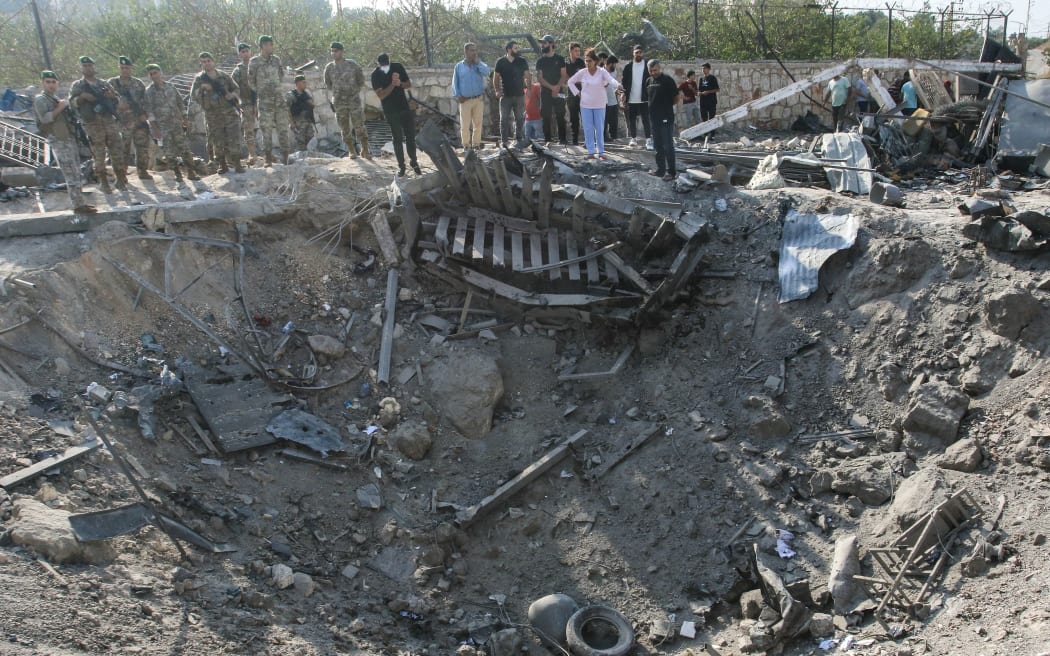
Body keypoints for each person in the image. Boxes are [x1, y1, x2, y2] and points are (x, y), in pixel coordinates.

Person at [33, 71, 96, 214]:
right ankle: (78, 206)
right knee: (70, 173)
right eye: (48, 82)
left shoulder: (55, 99)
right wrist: (60, 107)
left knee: (76, 172)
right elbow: (46, 118)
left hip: (69, 139)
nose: (51, 85)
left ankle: (80, 203)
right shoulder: (41, 100)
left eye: (53, 82)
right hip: (59, 140)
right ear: (42, 83)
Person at [70, 55, 127, 193]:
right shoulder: (78, 86)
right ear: (81, 68)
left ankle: (120, 180)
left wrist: (111, 97)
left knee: (117, 151)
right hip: (93, 124)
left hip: (108, 122)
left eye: (90, 65)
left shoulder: (104, 84)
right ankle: (104, 183)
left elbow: (117, 100)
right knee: (98, 154)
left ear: (94, 67)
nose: (88, 68)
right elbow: (72, 103)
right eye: (85, 66)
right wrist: (82, 98)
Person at [143, 63, 200, 182]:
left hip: (176, 123)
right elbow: (149, 111)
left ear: (160, 73)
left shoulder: (171, 87)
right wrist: (154, 128)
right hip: (162, 126)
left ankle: (191, 172)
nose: (154, 76)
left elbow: (179, 102)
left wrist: (185, 118)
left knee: (184, 148)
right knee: (169, 152)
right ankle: (177, 173)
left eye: (155, 72)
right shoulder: (149, 92)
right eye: (151, 74)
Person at [190, 52, 244, 173]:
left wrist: (232, 95)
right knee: (217, 140)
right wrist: (203, 89)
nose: (206, 64)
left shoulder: (223, 76)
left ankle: (237, 163)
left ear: (213, 62)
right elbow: (194, 96)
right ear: (201, 64)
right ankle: (222, 164)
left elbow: (236, 88)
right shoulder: (199, 79)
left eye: (208, 61)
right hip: (213, 115)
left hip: (229, 112)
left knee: (234, 138)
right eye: (203, 62)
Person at [371, 53, 421, 177]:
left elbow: (408, 84)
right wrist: (393, 84)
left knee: (410, 137)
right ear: (378, 64)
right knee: (397, 139)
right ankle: (401, 167)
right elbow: (381, 95)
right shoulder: (375, 75)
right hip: (390, 111)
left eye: (387, 63)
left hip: (404, 107)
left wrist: (399, 84)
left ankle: (414, 163)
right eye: (382, 65)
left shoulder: (397, 67)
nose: (385, 66)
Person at [567, 47, 619, 159]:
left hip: (600, 104)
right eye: (586, 61)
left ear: (595, 61)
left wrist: (618, 85)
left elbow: (611, 80)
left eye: (590, 61)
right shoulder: (582, 72)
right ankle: (590, 152)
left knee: (599, 129)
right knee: (588, 128)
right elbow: (570, 82)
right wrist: (577, 93)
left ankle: (601, 152)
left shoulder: (602, 72)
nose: (588, 63)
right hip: (585, 105)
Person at [323, 41, 371, 159]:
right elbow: (328, 84)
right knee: (344, 128)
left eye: (336, 51)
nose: (334, 53)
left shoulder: (352, 64)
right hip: (339, 102)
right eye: (332, 51)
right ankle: (351, 150)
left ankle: (365, 150)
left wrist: (352, 92)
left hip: (353, 100)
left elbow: (360, 80)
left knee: (359, 126)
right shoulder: (329, 68)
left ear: (342, 51)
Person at [108, 56, 151, 180]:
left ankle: (142, 171)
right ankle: (122, 174)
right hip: (122, 122)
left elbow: (145, 101)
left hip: (138, 121)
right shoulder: (112, 83)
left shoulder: (138, 83)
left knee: (142, 147)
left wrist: (145, 114)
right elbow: (107, 100)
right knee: (122, 149)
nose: (124, 70)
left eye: (127, 67)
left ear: (131, 68)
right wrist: (117, 105)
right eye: (122, 68)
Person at [249, 35, 289, 165]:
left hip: (279, 101)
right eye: (268, 44)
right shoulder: (254, 62)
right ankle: (268, 158)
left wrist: (275, 90)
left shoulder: (276, 60)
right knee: (266, 131)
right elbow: (251, 82)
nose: (270, 47)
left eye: (271, 44)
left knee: (283, 129)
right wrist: (263, 92)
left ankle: (285, 158)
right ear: (262, 46)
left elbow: (281, 76)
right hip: (265, 103)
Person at [451, 43, 489, 150]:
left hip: (478, 99)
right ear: (466, 52)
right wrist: (458, 96)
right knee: (465, 125)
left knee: (478, 124)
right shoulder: (459, 66)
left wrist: (478, 63)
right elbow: (455, 83)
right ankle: (466, 146)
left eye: (475, 50)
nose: (474, 53)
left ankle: (476, 145)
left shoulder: (478, 64)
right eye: (472, 50)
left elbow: (487, 72)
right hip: (465, 100)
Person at [646, 60, 679, 181]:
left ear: (659, 69)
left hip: (666, 118)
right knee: (657, 146)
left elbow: (676, 98)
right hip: (654, 119)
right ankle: (660, 170)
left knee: (667, 146)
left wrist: (666, 107)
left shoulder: (667, 80)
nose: (653, 72)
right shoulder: (648, 81)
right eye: (650, 70)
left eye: (655, 70)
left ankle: (671, 172)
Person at [493, 40, 529, 149]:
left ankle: (519, 139)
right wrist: (497, 90)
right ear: (509, 49)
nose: (518, 50)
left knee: (520, 118)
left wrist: (530, 89)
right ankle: (504, 141)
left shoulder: (522, 61)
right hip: (505, 95)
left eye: (518, 48)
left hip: (519, 95)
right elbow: (495, 78)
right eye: (515, 48)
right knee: (504, 119)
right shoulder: (501, 62)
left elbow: (528, 76)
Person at [535, 34, 568, 145]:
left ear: (551, 44)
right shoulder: (540, 61)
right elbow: (540, 78)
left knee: (560, 114)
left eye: (544, 43)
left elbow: (564, 75)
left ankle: (563, 139)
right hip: (545, 92)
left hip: (559, 91)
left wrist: (557, 87)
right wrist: (552, 87)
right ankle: (548, 139)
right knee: (546, 115)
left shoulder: (560, 59)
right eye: (542, 43)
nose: (542, 45)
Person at [232, 43, 258, 165]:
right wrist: (237, 103)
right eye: (242, 51)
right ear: (239, 54)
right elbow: (233, 87)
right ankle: (252, 154)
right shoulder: (238, 71)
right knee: (249, 129)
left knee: (266, 127)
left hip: (261, 101)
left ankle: (267, 153)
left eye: (247, 51)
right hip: (246, 103)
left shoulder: (256, 66)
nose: (245, 53)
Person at [620, 44, 651, 149]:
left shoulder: (647, 66)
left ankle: (648, 139)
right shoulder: (628, 67)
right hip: (632, 98)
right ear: (633, 53)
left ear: (643, 53)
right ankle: (633, 138)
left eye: (640, 52)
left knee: (646, 119)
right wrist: (623, 93)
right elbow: (624, 81)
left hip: (644, 98)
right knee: (632, 119)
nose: (638, 54)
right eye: (636, 52)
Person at [286, 74, 315, 152]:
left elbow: (313, 104)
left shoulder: (306, 93)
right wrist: (291, 123)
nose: (305, 84)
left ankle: (310, 159)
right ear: (298, 83)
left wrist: (308, 101)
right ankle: (301, 161)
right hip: (298, 123)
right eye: (303, 82)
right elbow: (287, 110)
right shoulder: (291, 95)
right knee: (300, 143)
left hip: (308, 121)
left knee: (311, 140)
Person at [564, 42, 585, 145]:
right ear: (570, 51)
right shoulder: (565, 63)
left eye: (579, 51)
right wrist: (572, 80)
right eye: (576, 51)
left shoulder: (581, 62)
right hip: (571, 94)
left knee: (585, 117)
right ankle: (575, 140)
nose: (578, 53)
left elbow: (583, 78)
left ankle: (588, 140)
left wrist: (573, 80)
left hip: (582, 93)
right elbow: (565, 78)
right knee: (574, 118)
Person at [604, 56, 620, 141]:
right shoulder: (602, 72)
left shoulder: (614, 72)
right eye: (614, 64)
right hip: (604, 101)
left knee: (614, 121)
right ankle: (604, 137)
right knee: (604, 121)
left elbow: (616, 83)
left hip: (613, 100)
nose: (615, 66)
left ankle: (614, 137)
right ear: (610, 64)